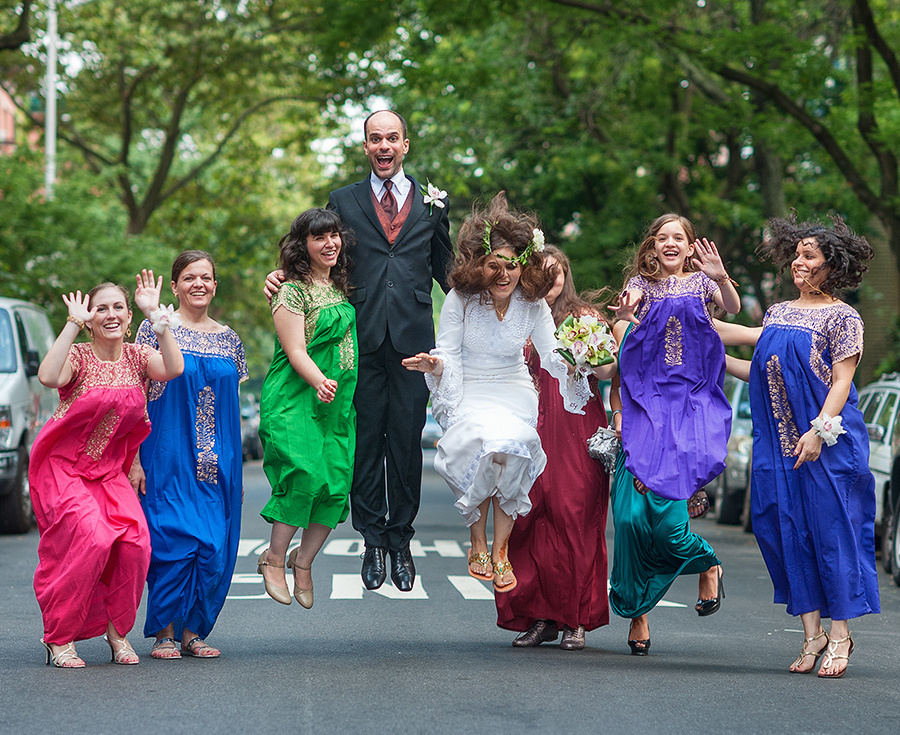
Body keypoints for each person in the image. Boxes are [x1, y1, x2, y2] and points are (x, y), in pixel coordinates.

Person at [266, 110, 453, 592]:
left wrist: (504, 292)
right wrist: (284, 276)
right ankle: (372, 539)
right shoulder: (343, 200)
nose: (384, 146)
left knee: (407, 444)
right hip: (357, 343)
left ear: (406, 145)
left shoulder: (435, 203)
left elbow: (448, 275)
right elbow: (320, 250)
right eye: (375, 139)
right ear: (366, 146)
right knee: (366, 442)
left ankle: (401, 539)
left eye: (393, 138)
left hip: (414, 343)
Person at [403, 193, 609, 594]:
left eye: (511, 266)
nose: (503, 274)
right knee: (485, 446)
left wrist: (576, 361)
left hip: (514, 388)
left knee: (512, 449)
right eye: (493, 265)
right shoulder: (461, 299)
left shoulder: (533, 304)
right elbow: (447, 351)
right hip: (471, 387)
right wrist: (435, 367)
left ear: (523, 265)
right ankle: (477, 540)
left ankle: (501, 550)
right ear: (479, 264)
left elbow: (551, 354)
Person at [718, 214, 879, 678]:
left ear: (833, 263)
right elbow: (761, 369)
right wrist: (712, 353)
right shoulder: (778, 313)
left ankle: (842, 634)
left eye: (809, 255)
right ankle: (812, 635)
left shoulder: (843, 317)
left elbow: (843, 381)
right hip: (778, 446)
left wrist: (819, 430)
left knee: (832, 535)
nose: (798, 262)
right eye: (796, 254)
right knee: (784, 533)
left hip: (827, 446)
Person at [31, 273, 183, 668]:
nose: (110, 314)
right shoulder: (79, 356)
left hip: (109, 473)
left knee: (136, 545)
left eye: (118, 307)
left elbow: (174, 368)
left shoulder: (137, 357)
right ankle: (59, 638)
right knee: (94, 539)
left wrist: (157, 320)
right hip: (64, 469)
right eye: (101, 309)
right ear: (91, 318)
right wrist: (71, 324)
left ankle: (117, 632)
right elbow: (48, 377)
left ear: (129, 316)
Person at [607, 213, 738, 654]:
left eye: (677, 238)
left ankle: (707, 564)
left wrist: (721, 279)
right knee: (628, 520)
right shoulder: (640, 286)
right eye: (661, 237)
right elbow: (622, 340)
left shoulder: (703, 284)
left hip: (690, 405)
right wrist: (623, 319)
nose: (669, 243)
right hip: (645, 404)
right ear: (651, 246)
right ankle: (638, 616)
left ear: (689, 245)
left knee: (668, 529)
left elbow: (732, 309)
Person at [495, 246, 615, 649]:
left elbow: (609, 371)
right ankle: (542, 615)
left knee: (573, 518)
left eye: (557, 273)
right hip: (528, 427)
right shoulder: (517, 317)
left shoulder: (585, 318)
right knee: (529, 520)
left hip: (577, 428)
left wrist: (585, 352)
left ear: (566, 276)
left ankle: (576, 618)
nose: (550, 281)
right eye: (541, 274)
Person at [130, 251, 248, 660]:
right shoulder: (155, 330)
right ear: (176, 285)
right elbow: (136, 396)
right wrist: (134, 459)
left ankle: (194, 631)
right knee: (171, 543)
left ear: (215, 285)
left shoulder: (230, 339)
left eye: (207, 278)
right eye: (190, 277)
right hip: (166, 455)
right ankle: (164, 632)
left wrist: (236, 466)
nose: (199, 284)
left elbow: (232, 406)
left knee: (215, 547)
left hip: (219, 462)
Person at [256, 208, 358, 609]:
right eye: (319, 237)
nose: (329, 243)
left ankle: (304, 562)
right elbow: (294, 349)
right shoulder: (290, 290)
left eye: (334, 235)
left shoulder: (340, 287)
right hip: (297, 396)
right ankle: (274, 559)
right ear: (304, 245)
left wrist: (334, 388)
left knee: (335, 484)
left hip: (337, 401)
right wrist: (319, 380)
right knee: (303, 474)